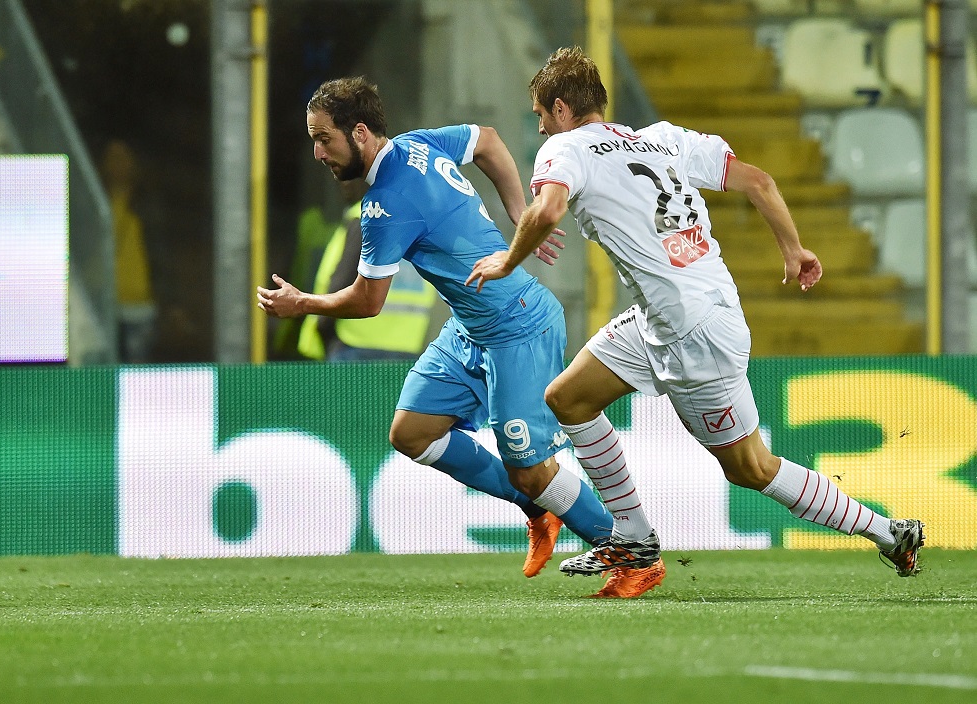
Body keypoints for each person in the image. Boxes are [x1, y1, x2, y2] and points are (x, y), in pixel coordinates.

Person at [467, 47, 925, 598]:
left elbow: (546, 211)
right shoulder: (665, 138)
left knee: (751, 468)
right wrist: (795, 249)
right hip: (671, 314)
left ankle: (889, 533)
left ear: (562, 109)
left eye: (541, 116)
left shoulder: (567, 147)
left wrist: (506, 261)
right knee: (568, 397)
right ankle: (633, 537)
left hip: (695, 332)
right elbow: (759, 182)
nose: (541, 129)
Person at [258, 76, 617, 580]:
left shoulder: (384, 204)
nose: (317, 152)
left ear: (359, 132)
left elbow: (367, 301)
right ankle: (539, 508)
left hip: (518, 326)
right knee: (413, 433)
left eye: (324, 139)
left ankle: (625, 549)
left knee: (532, 468)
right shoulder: (417, 144)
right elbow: (488, 140)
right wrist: (520, 212)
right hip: (472, 327)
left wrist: (302, 304)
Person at [297, 180, 437, 362]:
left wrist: (324, 330)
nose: (343, 183)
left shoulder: (366, 217)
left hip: (355, 344)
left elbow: (341, 282)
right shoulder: (420, 222)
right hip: (408, 345)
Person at [100, 139, 157, 363]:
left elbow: (159, 253)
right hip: (106, 305)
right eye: (113, 158)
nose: (118, 165)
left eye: (123, 158)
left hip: (141, 306)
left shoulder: (146, 203)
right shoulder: (95, 202)